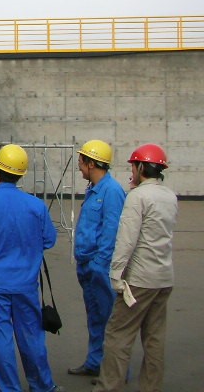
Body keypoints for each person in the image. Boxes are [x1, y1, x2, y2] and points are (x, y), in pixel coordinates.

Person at [0, 144, 63, 392]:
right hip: (27, 284)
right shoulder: (36, 206)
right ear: (21, 174)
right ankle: (42, 385)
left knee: (0, 337)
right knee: (32, 336)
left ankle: (9, 388)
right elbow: (49, 239)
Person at [97, 144, 178, 392]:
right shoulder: (170, 196)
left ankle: (108, 387)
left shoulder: (137, 197)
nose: (131, 170)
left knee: (118, 335)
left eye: (133, 166)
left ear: (141, 167)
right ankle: (151, 388)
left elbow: (127, 240)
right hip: (163, 278)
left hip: (139, 280)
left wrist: (115, 275)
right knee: (154, 338)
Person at [68, 139, 126, 378]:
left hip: (98, 267)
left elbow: (111, 231)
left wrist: (98, 265)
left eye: (81, 162)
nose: (79, 166)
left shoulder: (111, 191)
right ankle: (95, 362)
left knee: (109, 320)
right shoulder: (94, 189)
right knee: (95, 316)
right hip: (87, 264)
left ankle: (113, 371)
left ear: (91, 163)